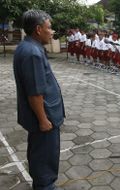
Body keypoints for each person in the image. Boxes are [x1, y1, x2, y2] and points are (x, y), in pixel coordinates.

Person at [13, 10, 65, 190]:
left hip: (42, 115)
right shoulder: (32, 52)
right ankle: (45, 186)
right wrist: (43, 120)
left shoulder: (27, 46)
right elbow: (35, 93)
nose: (52, 32)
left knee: (38, 152)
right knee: (45, 155)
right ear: (38, 29)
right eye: (49, 28)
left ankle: (41, 182)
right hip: (45, 117)